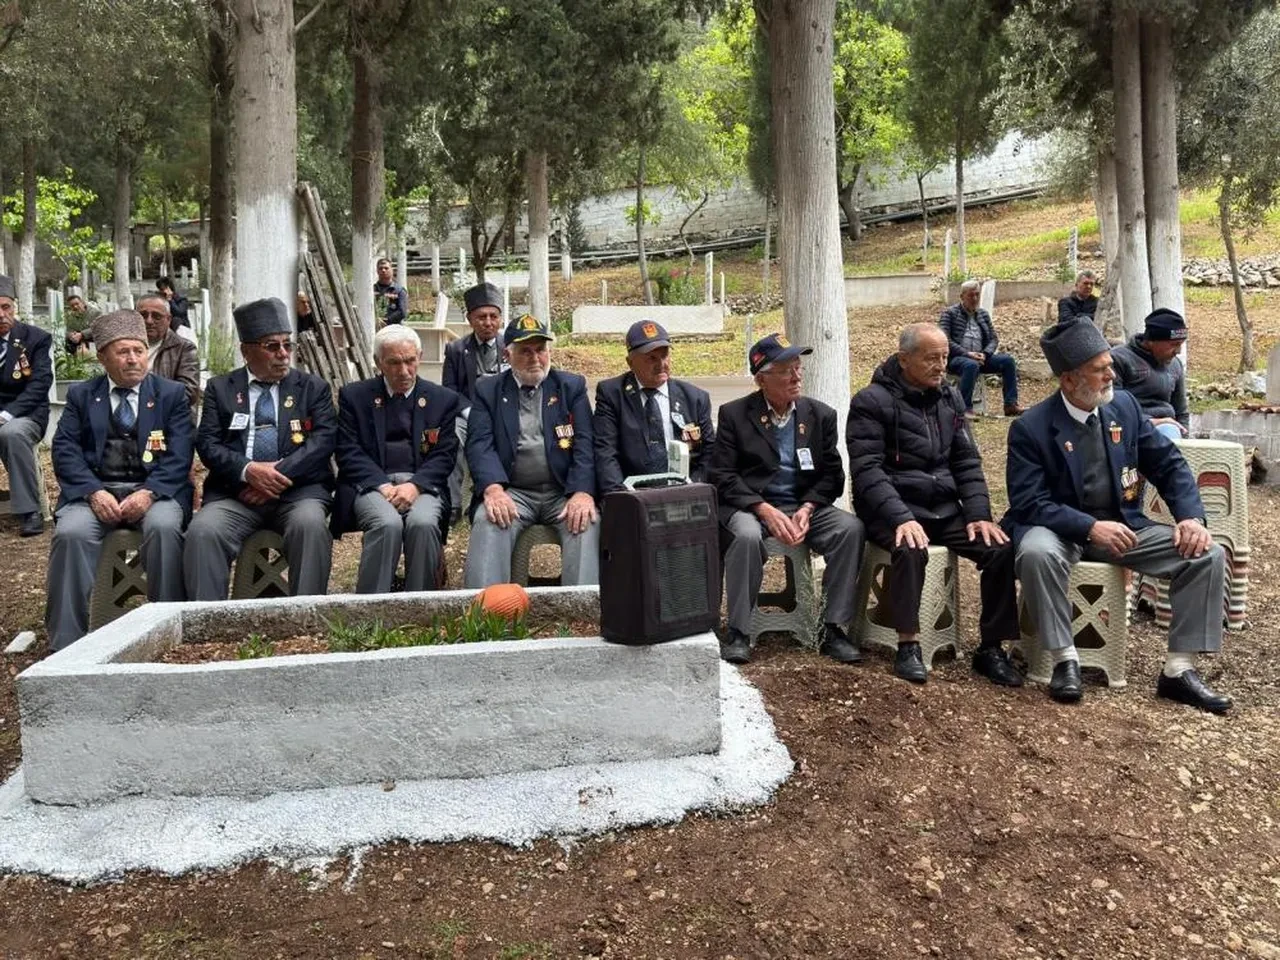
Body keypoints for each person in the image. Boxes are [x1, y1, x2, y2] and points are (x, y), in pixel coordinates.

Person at [1004, 319, 1231, 712]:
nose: (1111, 375)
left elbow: (1169, 464)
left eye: (1110, 365)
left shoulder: (1123, 407)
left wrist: (1191, 518)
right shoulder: (1031, 427)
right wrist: (1090, 527)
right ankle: (1064, 660)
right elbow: (1029, 502)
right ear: (1069, 380)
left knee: (1205, 553)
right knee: (1036, 552)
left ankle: (1179, 670)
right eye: (1100, 369)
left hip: (1122, 527)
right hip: (1057, 528)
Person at [847, 323, 1021, 685]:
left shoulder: (950, 398)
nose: (940, 366)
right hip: (890, 510)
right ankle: (908, 644)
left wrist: (978, 513)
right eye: (930, 358)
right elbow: (867, 471)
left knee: (998, 547)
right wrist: (901, 517)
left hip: (942, 507)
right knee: (910, 547)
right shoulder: (871, 402)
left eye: (944, 357)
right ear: (904, 359)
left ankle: (991, 647)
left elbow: (966, 461)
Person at [708, 333, 865, 666]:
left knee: (850, 529)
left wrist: (808, 507)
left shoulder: (819, 415)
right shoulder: (735, 415)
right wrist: (763, 509)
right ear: (761, 379)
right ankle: (739, 630)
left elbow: (832, 476)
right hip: (752, 506)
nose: (796, 377)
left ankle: (833, 627)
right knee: (745, 536)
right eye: (785, 370)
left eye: (798, 367)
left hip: (803, 504)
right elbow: (722, 476)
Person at [45, 310, 192, 650]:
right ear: (102, 358)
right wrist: (93, 492)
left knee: (164, 528)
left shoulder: (170, 395)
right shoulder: (82, 395)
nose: (133, 359)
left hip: (155, 494)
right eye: (123, 352)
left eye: (139, 351)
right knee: (70, 533)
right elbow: (65, 449)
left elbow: (180, 453)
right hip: (95, 495)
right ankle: (64, 644)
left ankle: (169, 633)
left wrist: (149, 493)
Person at [183, 297, 338, 600]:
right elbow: (208, 443)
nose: (283, 354)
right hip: (236, 494)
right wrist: (248, 471)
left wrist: (274, 477)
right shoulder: (221, 388)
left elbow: (323, 441)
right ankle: (207, 619)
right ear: (246, 351)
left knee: (310, 526)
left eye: (287, 345)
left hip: (298, 493)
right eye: (272, 346)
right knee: (203, 531)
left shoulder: (312, 388)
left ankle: (307, 616)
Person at [463, 313, 598, 588]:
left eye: (540, 349)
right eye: (525, 351)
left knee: (586, 521)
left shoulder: (570, 387)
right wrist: (493, 490)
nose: (535, 358)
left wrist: (582, 492)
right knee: (489, 520)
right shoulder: (488, 390)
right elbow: (479, 444)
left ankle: (581, 607)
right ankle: (487, 608)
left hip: (562, 491)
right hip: (513, 491)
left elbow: (586, 443)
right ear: (507, 355)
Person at [335, 325, 464, 593]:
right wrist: (382, 486)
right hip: (372, 485)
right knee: (386, 523)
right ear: (378, 362)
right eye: (394, 362)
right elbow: (348, 450)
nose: (404, 371)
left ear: (420, 356)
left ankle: (420, 603)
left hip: (422, 484)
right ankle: (371, 605)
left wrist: (415, 486)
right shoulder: (355, 397)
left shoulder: (442, 399)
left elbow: (444, 453)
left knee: (423, 523)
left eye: (410, 361)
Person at [593, 319, 715, 492]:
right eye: (651, 358)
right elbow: (605, 453)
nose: (661, 364)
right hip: (632, 492)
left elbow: (710, 452)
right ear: (630, 362)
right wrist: (621, 496)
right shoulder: (612, 395)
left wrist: (692, 488)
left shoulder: (695, 398)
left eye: (665, 356)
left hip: (685, 492)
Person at [442, 281, 505, 521]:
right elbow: (449, 390)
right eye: (481, 317)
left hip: (503, 412)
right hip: (468, 414)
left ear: (500, 319)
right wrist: (469, 412)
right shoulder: (456, 350)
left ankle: (493, 492)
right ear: (470, 319)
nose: (488, 322)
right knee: (451, 434)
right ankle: (454, 503)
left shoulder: (511, 347)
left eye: (493, 316)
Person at [0, 273, 53, 537]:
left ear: (14, 306)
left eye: (5, 307)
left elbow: (40, 384)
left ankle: (29, 511)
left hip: (27, 413)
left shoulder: (35, 338)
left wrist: (7, 414)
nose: (1, 315)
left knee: (11, 433)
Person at [939, 279, 1024, 418]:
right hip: (957, 359)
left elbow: (993, 339)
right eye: (970, 295)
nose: (975, 299)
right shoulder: (949, 314)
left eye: (977, 295)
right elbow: (944, 340)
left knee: (1008, 361)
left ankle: (1010, 405)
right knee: (971, 365)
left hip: (981, 358)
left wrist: (985, 353)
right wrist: (967, 354)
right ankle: (964, 408)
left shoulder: (983, 314)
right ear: (962, 297)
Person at [1110, 308, 1189, 440]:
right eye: (1174, 344)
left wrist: (1185, 438)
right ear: (1151, 341)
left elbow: (1181, 412)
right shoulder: (1118, 359)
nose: (1178, 351)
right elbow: (1112, 409)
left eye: (1180, 344)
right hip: (1131, 431)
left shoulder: (1175, 365)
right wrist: (1152, 422)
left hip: (1170, 431)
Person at [137, 293, 200, 408]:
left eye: (156, 316)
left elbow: (188, 392)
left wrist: (147, 402)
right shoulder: (123, 346)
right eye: (143, 315)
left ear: (169, 319)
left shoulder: (184, 348)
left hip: (166, 413)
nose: (149, 321)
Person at [63, 286, 101, 354]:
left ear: (82, 303)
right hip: (79, 340)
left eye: (77, 304)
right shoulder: (70, 317)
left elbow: (98, 327)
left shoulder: (95, 312)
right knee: (68, 341)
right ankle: (73, 358)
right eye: (72, 306)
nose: (75, 307)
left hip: (94, 339)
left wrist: (82, 334)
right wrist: (71, 335)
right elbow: (68, 330)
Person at [374, 258, 408, 326]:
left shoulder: (399, 290)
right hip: (374, 326)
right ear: (377, 271)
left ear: (392, 270)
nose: (383, 270)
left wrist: (386, 321)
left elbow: (402, 312)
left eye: (386, 268)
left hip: (393, 328)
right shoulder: (372, 290)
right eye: (380, 268)